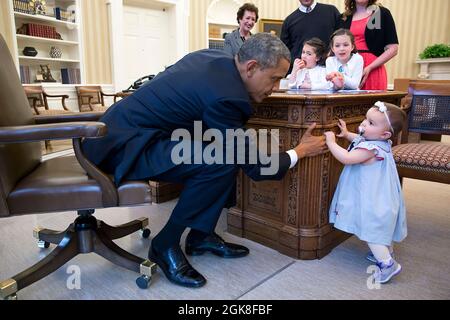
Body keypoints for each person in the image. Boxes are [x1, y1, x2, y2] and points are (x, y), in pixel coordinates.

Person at [82, 33, 327, 288]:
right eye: (275, 79)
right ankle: (164, 245)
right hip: (120, 145)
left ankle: (201, 236)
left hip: (121, 131)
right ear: (252, 67)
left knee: (224, 152)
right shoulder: (226, 96)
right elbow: (256, 166)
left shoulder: (215, 58)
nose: (275, 88)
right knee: (220, 161)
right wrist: (299, 151)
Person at [324, 101, 407, 284]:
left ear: (384, 134)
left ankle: (387, 264)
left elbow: (346, 158)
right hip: (382, 195)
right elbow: (359, 139)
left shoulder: (370, 150)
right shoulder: (380, 142)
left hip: (372, 199)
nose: (363, 124)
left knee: (372, 229)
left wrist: (331, 142)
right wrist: (346, 134)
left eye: (370, 123)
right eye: (366, 119)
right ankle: (387, 252)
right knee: (381, 227)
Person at [339, 0, 399, 90]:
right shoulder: (344, 18)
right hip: (349, 69)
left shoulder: (382, 13)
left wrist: (370, 67)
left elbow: (393, 49)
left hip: (373, 69)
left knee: (374, 103)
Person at [281, 0, 340, 72]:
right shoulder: (289, 21)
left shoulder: (331, 11)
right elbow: (285, 52)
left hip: (329, 70)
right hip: (301, 72)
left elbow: (341, 37)